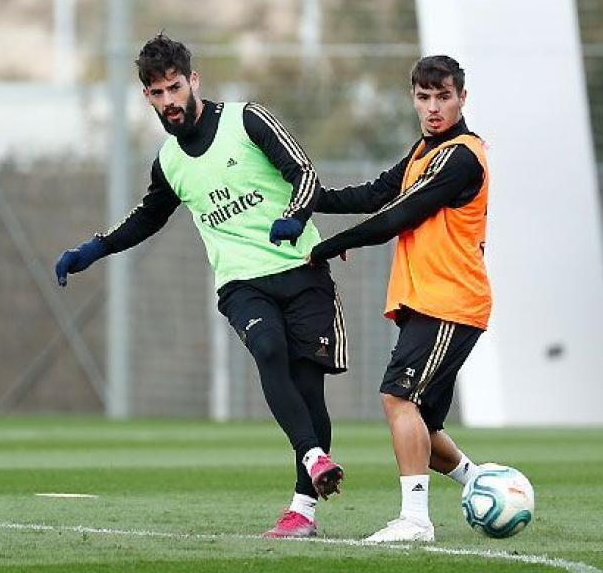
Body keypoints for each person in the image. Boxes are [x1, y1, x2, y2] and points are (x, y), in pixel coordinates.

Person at [56, 34, 347, 538]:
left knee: (306, 387)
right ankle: (315, 459)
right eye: (156, 94)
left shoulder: (246, 120)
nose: (168, 102)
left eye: (174, 88)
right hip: (241, 283)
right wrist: (93, 249)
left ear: (194, 81)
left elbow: (303, 172)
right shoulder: (168, 162)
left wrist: (297, 216)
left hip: (303, 272)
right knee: (268, 349)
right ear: (146, 96)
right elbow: (146, 218)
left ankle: (303, 510)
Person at [309, 55, 490, 543]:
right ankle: (482, 483)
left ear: (462, 98)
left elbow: (398, 215)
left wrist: (330, 245)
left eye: (443, 97)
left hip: (450, 301)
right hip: (431, 303)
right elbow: (375, 193)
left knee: (397, 398)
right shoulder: (423, 152)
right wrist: (310, 198)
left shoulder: (462, 155)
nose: (433, 107)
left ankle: (415, 521)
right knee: (423, 427)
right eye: (424, 97)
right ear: (413, 97)